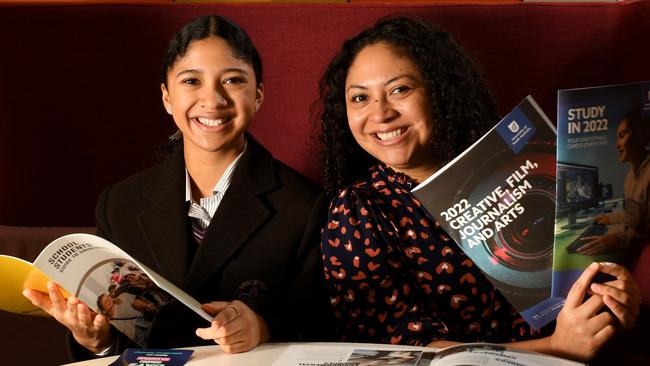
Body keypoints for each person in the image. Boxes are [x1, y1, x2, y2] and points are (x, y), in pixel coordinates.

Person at [316, 16, 640, 362]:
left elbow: (582, 280)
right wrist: (556, 348)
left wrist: (616, 303)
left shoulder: (529, 167)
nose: (380, 113)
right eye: (360, 98)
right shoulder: (359, 209)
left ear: (439, 91)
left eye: (400, 89)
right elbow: (397, 351)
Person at [23, 14, 332, 360]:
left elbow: (324, 328)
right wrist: (97, 341)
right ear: (167, 97)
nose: (212, 99)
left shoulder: (305, 204)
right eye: (191, 81)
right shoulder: (120, 203)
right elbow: (118, 336)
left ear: (257, 95)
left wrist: (262, 326)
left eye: (232, 80)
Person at [577, 108, 650, 260]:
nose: (617, 145)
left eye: (622, 136)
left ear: (638, 136)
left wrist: (619, 240)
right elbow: (636, 216)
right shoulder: (630, 177)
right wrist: (610, 219)